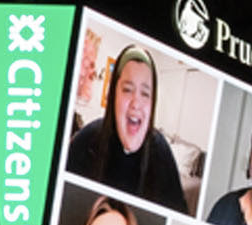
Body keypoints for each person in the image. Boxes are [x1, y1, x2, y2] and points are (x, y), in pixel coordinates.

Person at [67, 44, 187, 212]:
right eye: (127, 90)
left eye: (145, 93)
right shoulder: (87, 140)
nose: (136, 103)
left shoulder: (161, 152)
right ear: (113, 95)